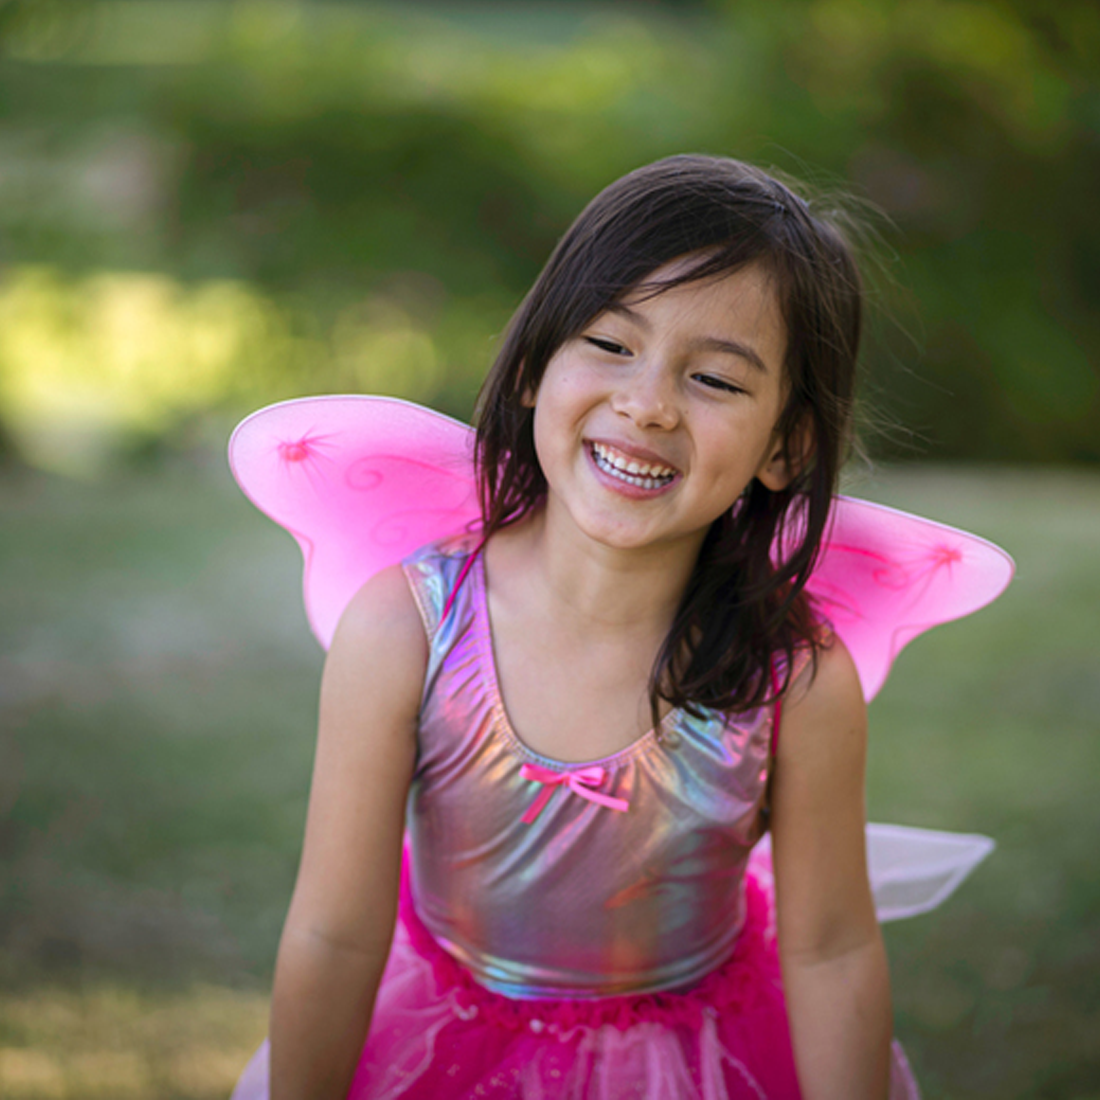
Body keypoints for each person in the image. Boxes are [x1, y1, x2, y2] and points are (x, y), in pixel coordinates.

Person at [231, 155, 979, 1099]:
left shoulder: (793, 676)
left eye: (714, 378)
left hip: (708, 1059)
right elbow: (335, 934)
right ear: (537, 364)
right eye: (611, 344)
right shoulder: (408, 629)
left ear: (785, 445)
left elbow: (830, 952)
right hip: (440, 1048)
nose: (649, 403)